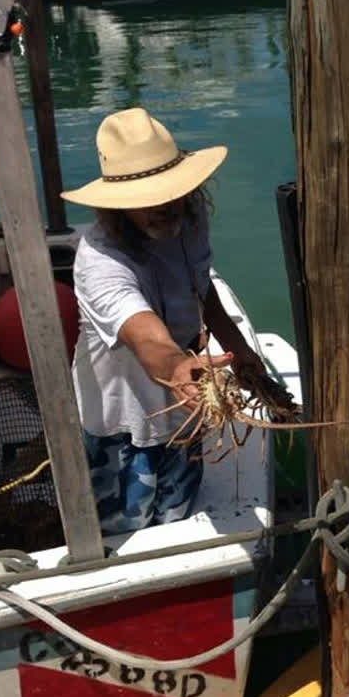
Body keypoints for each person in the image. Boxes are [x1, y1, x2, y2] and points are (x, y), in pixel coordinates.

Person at [63, 106, 296, 534]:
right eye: (147, 199)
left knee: (178, 518)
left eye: (171, 191)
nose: (165, 205)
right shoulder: (99, 261)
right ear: (117, 208)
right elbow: (144, 335)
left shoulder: (188, 219)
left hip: (187, 408)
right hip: (122, 422)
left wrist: (238, 348)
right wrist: (176, 365)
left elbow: (199, 285)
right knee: (121, 535)